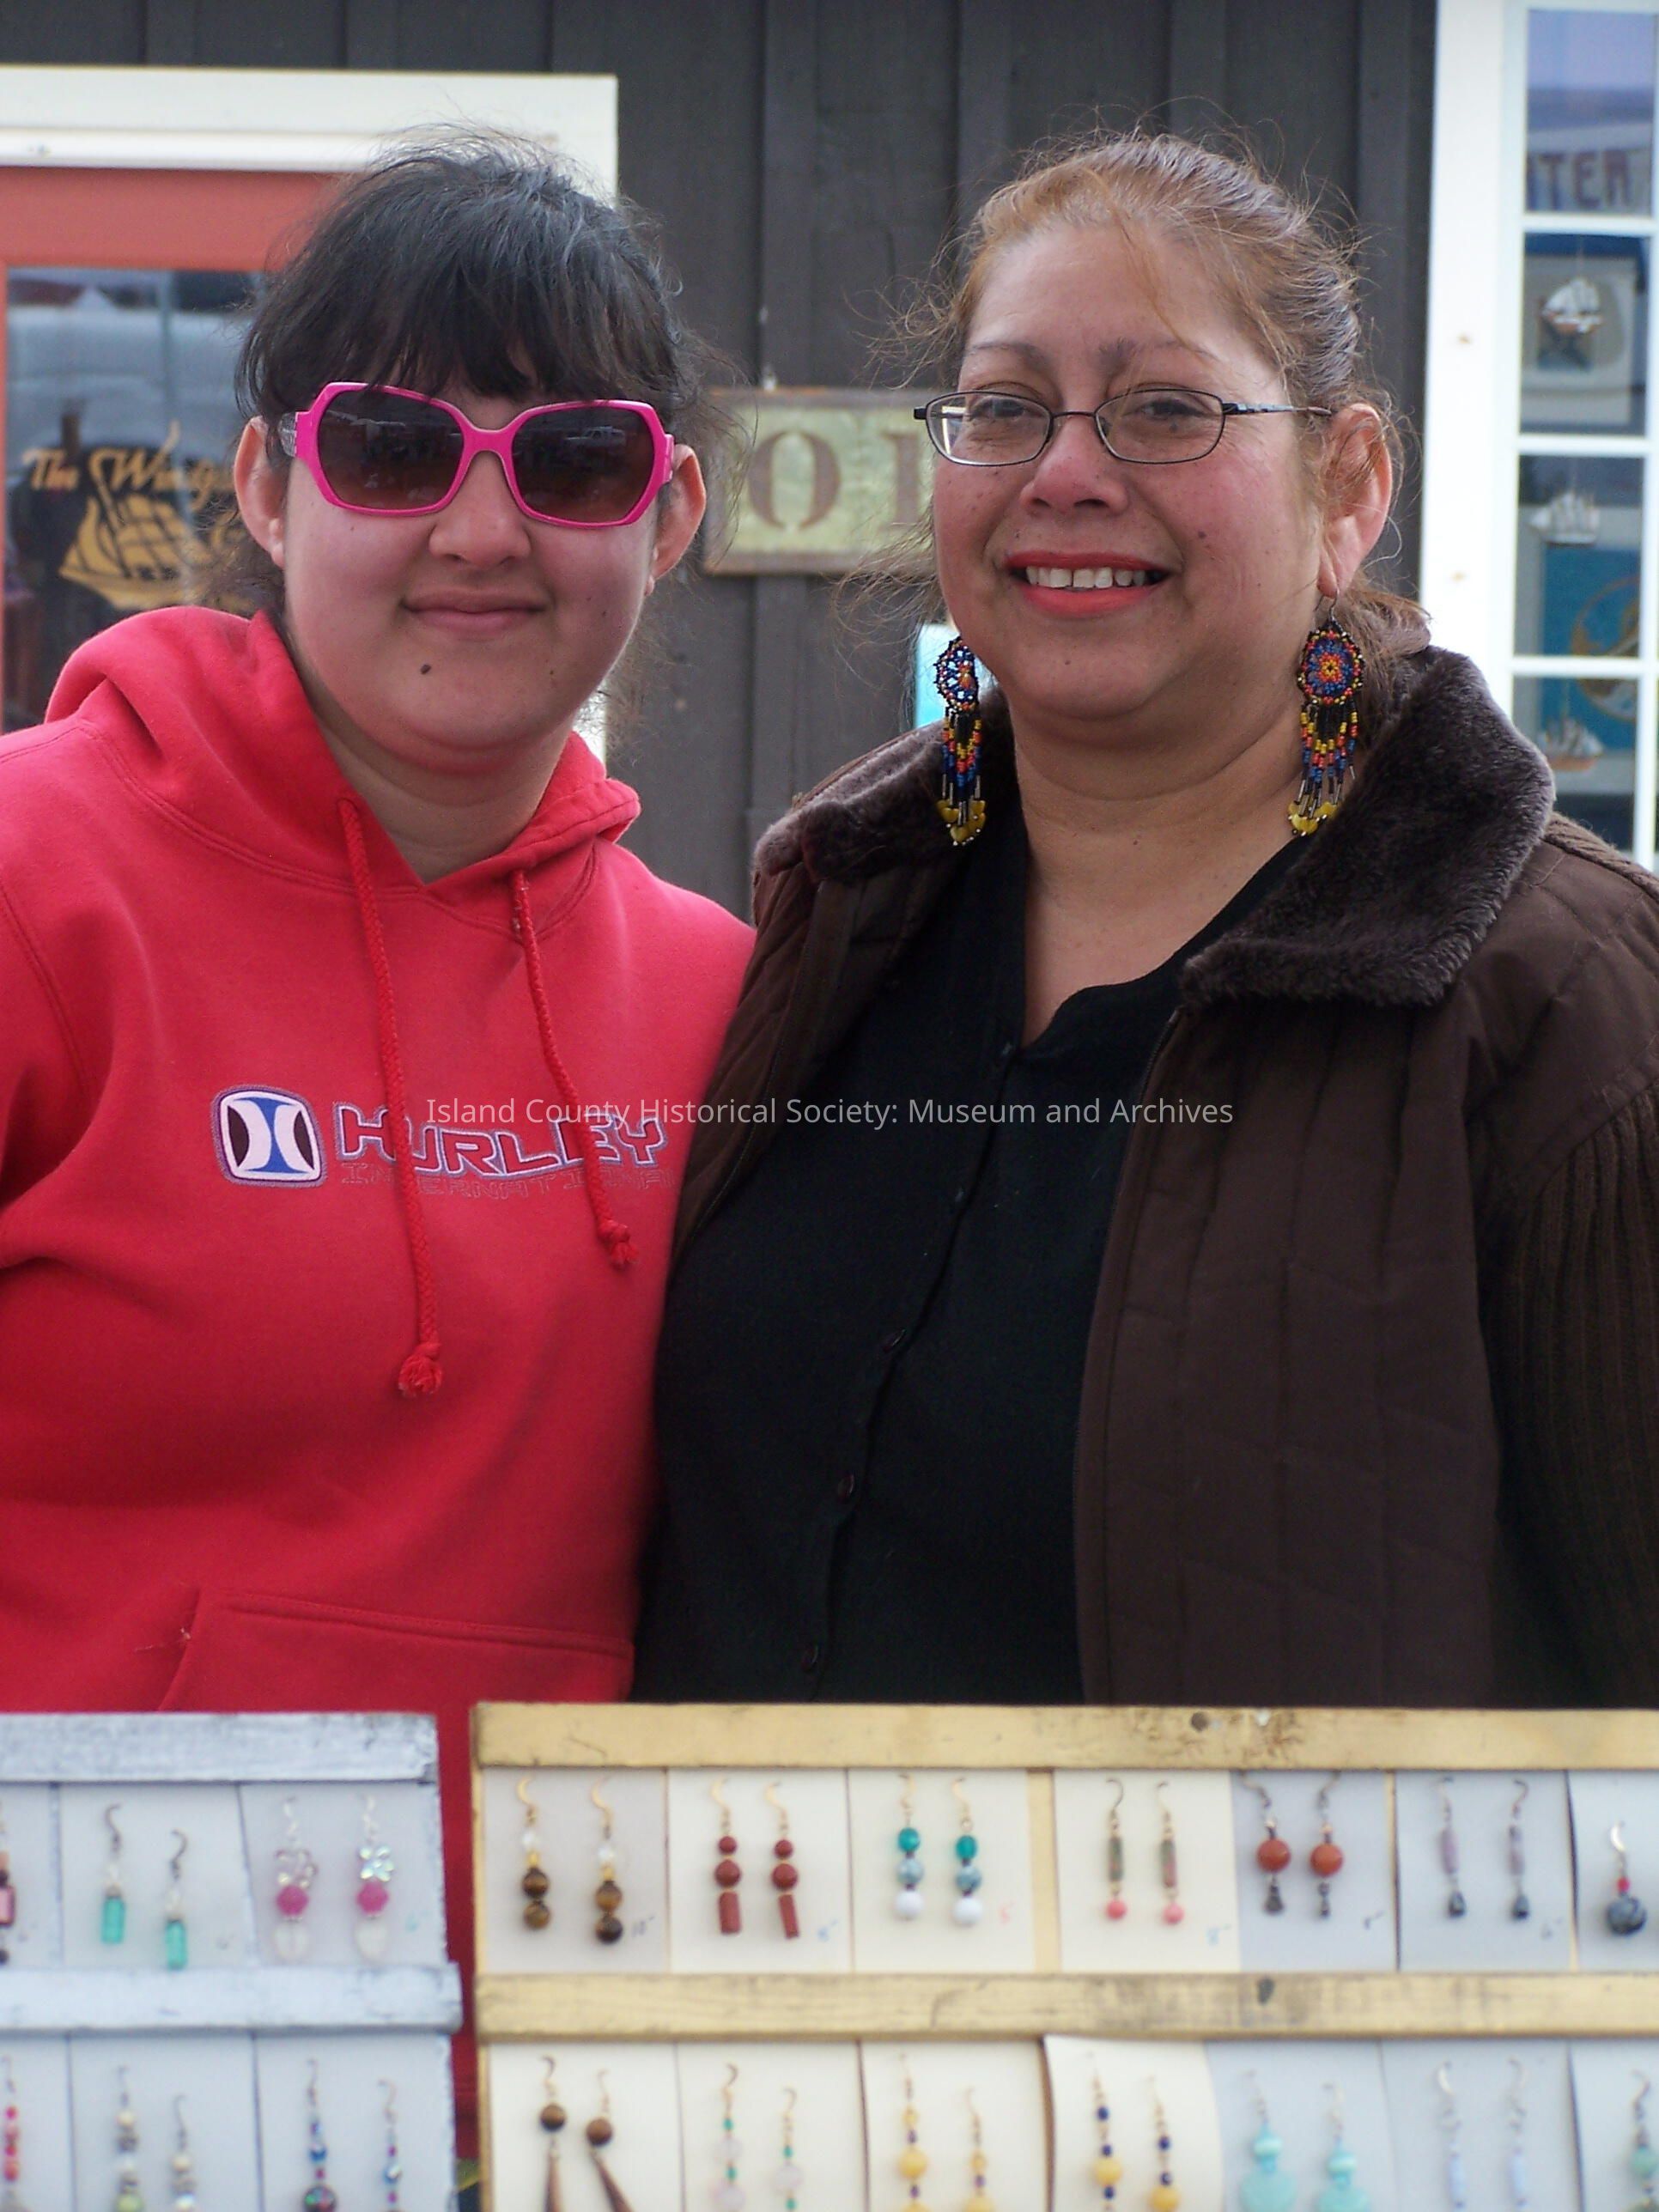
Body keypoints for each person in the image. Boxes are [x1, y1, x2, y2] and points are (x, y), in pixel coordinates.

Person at [634, 131, 1659, 1714]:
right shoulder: (839, 911)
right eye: (1005, 408)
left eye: (1167, 409)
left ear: (1348, 483)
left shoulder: (1564, 1003)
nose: (1066, 472)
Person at [0, 136, 750, 2137]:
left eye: (573, 460)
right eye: (398, 449)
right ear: (267, 485)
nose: (482, 529)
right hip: (79, 2068)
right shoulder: (33, 881)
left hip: (545, 2089)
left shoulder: (722, 1001)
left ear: (668, 512)